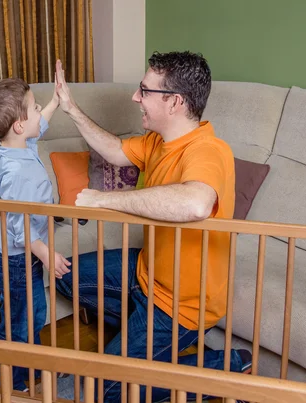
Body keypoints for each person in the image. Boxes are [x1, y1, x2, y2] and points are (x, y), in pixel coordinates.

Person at [54, 52, 252, 402]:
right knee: (65, 274)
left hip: (181, 305)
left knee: (103, 390)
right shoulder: (158, 141)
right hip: (146, 272)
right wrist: (70, 108)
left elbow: (196, 203)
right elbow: (115, 150)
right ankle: (145, 347)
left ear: (174, 102)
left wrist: (104, 199)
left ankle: (222, 368)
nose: (135, 97)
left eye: (144, 90)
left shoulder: (208, 150)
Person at [0, 78, 71, 391]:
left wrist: (56, 101)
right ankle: (11, 384)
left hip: (20, 254)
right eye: (35, 107)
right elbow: (18, 225)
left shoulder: (12, 145)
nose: (39, 110)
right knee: (20, 321)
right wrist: (45, 252)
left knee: (32, 314)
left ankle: (30, 368)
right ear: (18, 125)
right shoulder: (16, 172)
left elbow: (36, 127)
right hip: (18, 257)